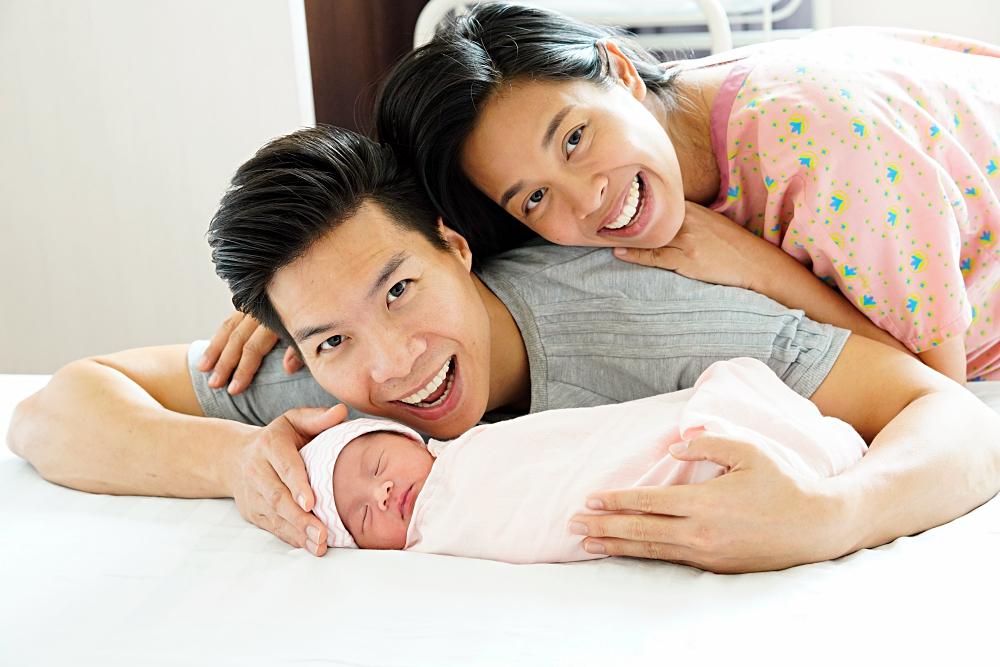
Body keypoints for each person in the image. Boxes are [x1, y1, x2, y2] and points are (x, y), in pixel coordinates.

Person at [7, 126, 1000, 573]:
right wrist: (235, 461)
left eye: (400, 290)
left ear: (453, 243)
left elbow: (950, 413)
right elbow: (52, 412)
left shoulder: (647, 312)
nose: (394, 363)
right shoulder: (324, 389)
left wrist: (833, 515)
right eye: (333, 335)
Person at [375, 2, 1000, 384]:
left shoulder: (827, 149)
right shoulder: (650, 139)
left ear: (621, 71)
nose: (586, 200)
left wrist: (762, 269)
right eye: (533, 199)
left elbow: (940, 397)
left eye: (573, 140)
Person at [303, 358, 867, 564]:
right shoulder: (435, 543)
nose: (380, 494)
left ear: (410, 439)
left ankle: (748, 437)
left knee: (661, 439)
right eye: (361, 516)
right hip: (642, 492)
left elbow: (572, 442)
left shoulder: (469, 451)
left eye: (377, 465)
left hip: (641, 441)